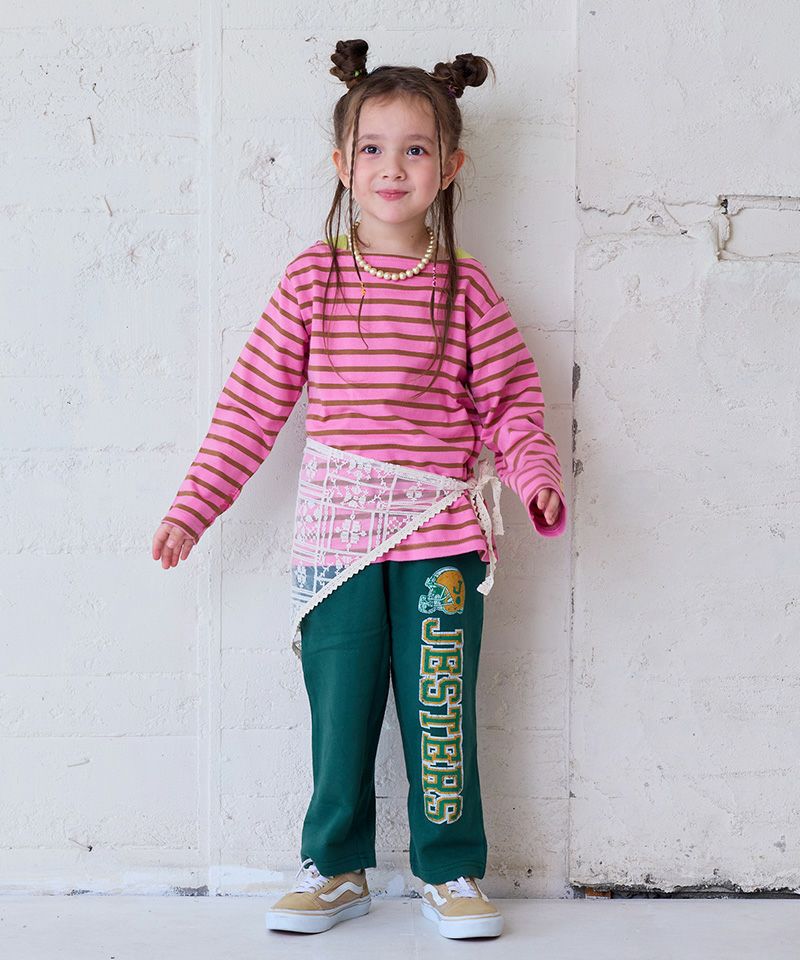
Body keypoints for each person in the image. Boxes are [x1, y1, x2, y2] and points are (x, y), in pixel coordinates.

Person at [152, 38, 567, 941]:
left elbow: (511, 404)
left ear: (450, 168)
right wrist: (194, 507)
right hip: (337, 539)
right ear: (342, 164)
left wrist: (534, 475)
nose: (393, 168)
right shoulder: (313, 280)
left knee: (439, 708)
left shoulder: (466, 288)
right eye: (373, 149)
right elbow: (252, 406)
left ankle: (449, 871)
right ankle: (336, 868)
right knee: (338, 712)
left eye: (416, 149)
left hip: (441, 536)